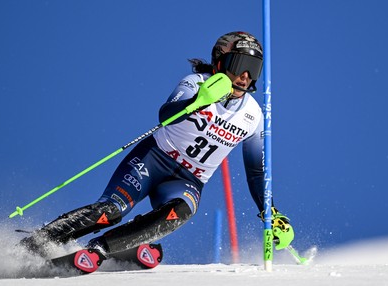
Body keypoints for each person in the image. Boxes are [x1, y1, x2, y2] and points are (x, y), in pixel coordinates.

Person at [20, 31, 294, 264]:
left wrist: (270, 212)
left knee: (181, 211)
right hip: (154, 159)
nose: (245, 77)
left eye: (253, 68)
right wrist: (197, 101)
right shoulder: (195, 84)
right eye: (239, 64)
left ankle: (102, 249)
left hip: (189, 179)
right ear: (220, 62)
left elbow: (256, 172)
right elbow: (164, 115)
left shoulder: (254, 115)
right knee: (109, 212)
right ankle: (34, 244)